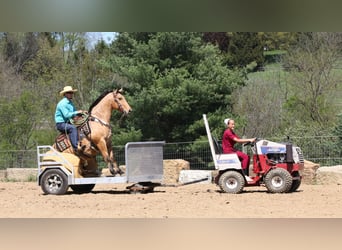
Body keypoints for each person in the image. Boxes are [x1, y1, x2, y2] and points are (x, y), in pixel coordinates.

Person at [55, 86, 84, 154]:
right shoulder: (62, 103)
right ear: (65, 94)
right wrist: (77, 112)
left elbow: (73, 114)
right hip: (61, 124)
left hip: (68, 122)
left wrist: (81, 114)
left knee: (82, 125)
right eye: (69, 92)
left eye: (72, 92)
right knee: (73, 128)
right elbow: (67, 115)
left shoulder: (70, 103)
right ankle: (76, 147)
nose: (71, 94)